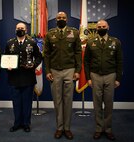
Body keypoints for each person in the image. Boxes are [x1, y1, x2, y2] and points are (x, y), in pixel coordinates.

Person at [44, 12, 82, 140]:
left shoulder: (74, 32)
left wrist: (77, 71)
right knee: (57, 100)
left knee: (68, 100)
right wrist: (48, 71)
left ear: (67, 19)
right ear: (56, 19)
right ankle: (59, 128)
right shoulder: (50, 34)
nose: (61, 19)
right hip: (54, 71)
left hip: (70, 70)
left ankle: (67, 128)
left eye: (63, 18)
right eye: (59, 18)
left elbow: (77, 53)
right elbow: (47, 54)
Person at [84, 19, 123, 140]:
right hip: (95, 76)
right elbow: (86, 62)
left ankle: (108, 129)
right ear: (96, 29)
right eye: (99, 27)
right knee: (97, 104)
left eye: (103, 26)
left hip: (110, 75)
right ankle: (99, 129)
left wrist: (118, 78)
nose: (101, 28)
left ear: (108, 27)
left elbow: (119, 61)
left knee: (109, 104)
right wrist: (88, 78)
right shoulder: (91, 42)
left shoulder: (115, 42)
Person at [4, 22, 42, 132]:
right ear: (15, 29)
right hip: (14, 77)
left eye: (22, 28)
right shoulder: (9, 43)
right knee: (16, 102)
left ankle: (26, 124)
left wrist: (33, 65)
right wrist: (7, 66)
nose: (20, 29)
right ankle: (17, 123)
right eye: (18, 28)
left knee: (27, 102)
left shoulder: (32, 42)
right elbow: (5, 57)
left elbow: (39, 57)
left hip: (28, 77)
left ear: (26, 30)